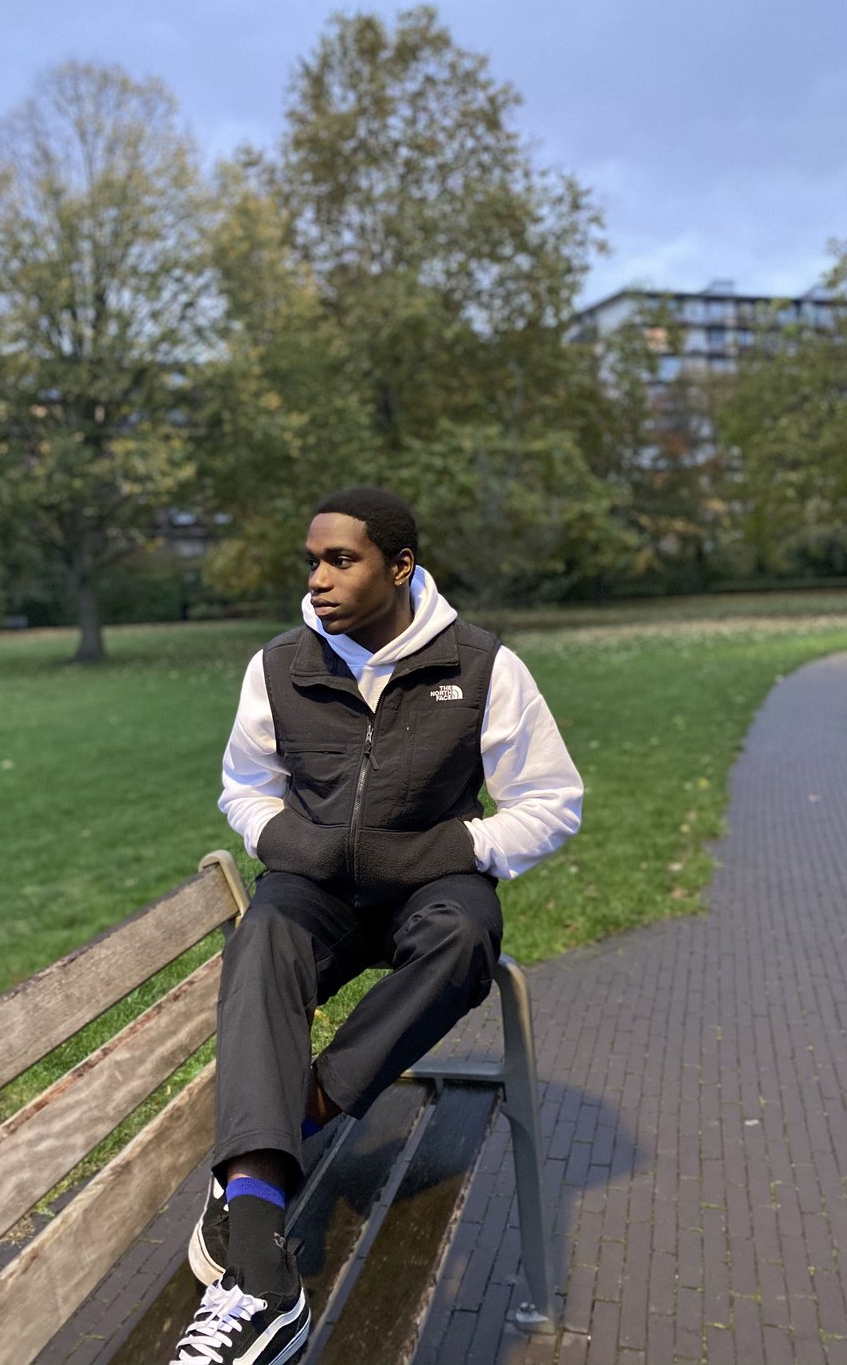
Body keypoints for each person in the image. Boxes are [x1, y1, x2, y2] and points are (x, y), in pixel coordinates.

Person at [170, 488, 583, 1365]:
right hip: (316, 888)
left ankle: (288, 1126)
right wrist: (284, 841)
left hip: (430, 885)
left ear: (400, 566)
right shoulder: (279, 666)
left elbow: (551, 802)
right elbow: (245, 787)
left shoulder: (481, 665)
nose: (317, 579)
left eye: (340, 560)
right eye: (311, 562)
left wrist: (454, 847)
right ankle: (261, 1268)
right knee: (263, 938)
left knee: (465, 939)